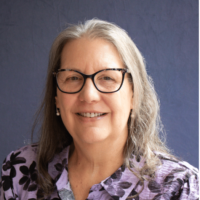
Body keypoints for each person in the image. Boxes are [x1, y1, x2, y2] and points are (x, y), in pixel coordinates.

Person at [0, 19, 199, 200]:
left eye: (107, 78)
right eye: (73, 78)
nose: (89, 95)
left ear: (134, 96)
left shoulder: (178, 188)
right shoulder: (20, 170)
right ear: (56, 99)